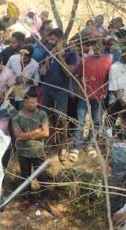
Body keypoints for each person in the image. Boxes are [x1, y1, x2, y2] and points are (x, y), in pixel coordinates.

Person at [12, 88, 61, 216]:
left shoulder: (42, 114)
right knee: (25, 177)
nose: (35, 104)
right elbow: (18, 136)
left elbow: (46, 132)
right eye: (32, 102)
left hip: (38, 152)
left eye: (36, 102)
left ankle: (46, 201)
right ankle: (27, 199)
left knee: (43, 178)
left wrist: (26, 135)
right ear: (25, 102)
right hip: (23, 152)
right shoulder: (17, 117)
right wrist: (36, 132)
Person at [39, 28, 78, 162]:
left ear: (61, 39)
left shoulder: (70, 52)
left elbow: (69, 73)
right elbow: (42, 67)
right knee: (47, 117)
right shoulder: (47, 50)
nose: (50, 42)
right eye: (49, 39)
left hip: (61, 89)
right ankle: (50, 144)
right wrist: (42, 69)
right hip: (46, 88)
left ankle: (63, 147)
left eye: (53, 40)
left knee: (61, 118)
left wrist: (61, 57)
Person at [72, 39, 113, 160]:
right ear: (92, 47)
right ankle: (76, 146)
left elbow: (109, 78)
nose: (98, 48)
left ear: (104, 46)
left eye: (101, 45)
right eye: (95, 45)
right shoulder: (85, 60)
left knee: (96, 122)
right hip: (84, 96)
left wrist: (105, 90)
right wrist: (80, 92)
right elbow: (78, 77)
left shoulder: (108, 61)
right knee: (80, 121)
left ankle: (90, 144)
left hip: (99, 97)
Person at [107, 43, 126, 128]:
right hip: (116, 101)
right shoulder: (114, 67)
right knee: (112, 124)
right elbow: (113, 88)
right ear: (123, 53)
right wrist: (122, 102)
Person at [6, 45, 39, 110]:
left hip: (23, 93)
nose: (22, 58)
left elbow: (36, 82)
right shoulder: (12, 59)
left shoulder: (35, 65)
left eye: (25, 57)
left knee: (22, 112)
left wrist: (27, 80)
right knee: (9, 112)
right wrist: (12, 80)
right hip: (10, 91)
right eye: (21, 55)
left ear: (30, 56)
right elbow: (5, 71)